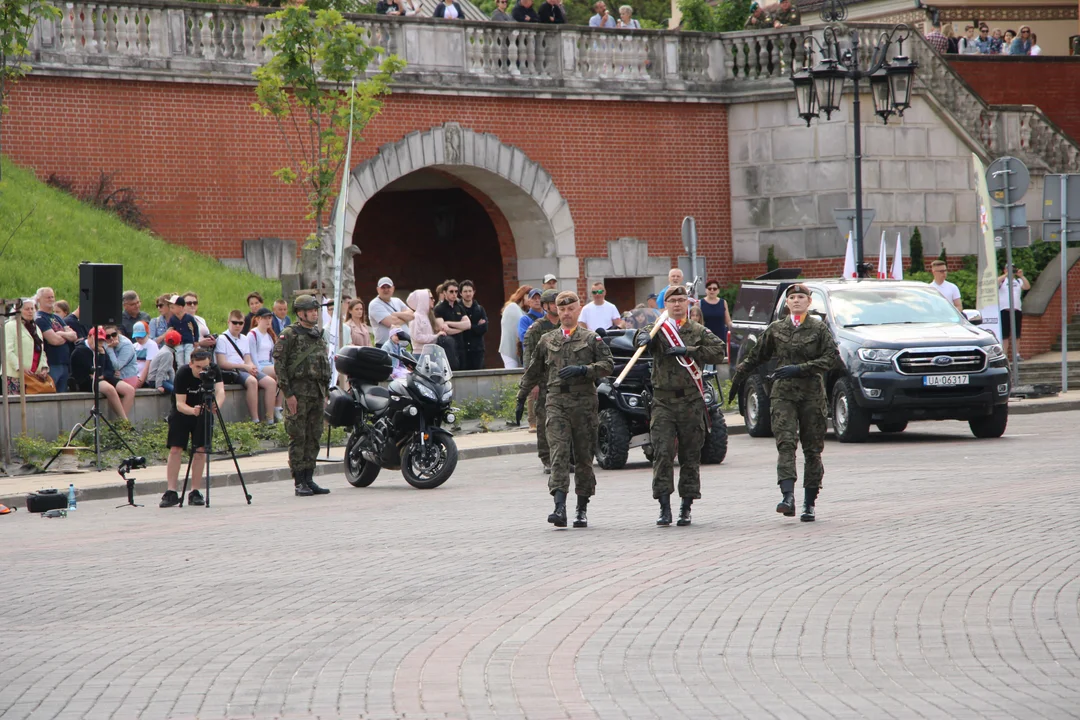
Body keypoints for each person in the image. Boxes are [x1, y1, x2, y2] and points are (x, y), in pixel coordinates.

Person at [729, 284, 840, 522]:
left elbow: (831, 358)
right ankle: (787, 497)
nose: (797, 301)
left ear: (809, 302)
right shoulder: (776, 328)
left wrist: (800, 368)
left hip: (811, 393)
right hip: (783, 395)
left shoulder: (819, 328)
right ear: (786, 303)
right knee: (786, 443)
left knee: (812, 449)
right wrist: (738, 380)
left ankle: (809, 503)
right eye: (792, 297)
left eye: (801, 297)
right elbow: (755, 355)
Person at [518, 291, 614, 528]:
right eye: (562, 310)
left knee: (583, 457)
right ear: (557, 312)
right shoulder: (547, 340)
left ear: (579, 309)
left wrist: (584, 370)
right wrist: (521, 398)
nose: (566, 314)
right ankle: (559, 507)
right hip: (556, 403)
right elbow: (533, 371)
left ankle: (581, 508)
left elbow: (608, 365)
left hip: (583, 403)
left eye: (570, 309)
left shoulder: (592, 339)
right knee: (558, 453)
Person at [635, 285, 726, 526]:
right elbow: (640, 337)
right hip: (663, 401)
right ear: (665, 304)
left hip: (690, 400)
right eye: (672, 300)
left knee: (690, 454)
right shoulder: (658, 329)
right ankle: (664, 507)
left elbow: (719, 351)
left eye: (681, 300)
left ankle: (686, 505)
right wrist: (642, 338)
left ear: (688, 303)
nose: (677, 304)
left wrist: (690, 350)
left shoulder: (697, 330)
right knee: (662, 452)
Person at [272, 295, 333, 497]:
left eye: (316, 309)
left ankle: (309, 478)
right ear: (300, 313)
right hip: (297, 394)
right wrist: (288, 394)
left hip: (316, 393)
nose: (315, 313)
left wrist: (324, 393)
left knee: (314, 436)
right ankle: (299, 481)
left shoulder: (317, 334)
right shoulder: (289, 335)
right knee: (298, 436)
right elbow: (280, 367)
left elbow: (324, 364)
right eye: (311, 310)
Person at [159, 350, 224, 508]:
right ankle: (171, 491)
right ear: (191, 364)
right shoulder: (183, 373)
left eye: (205, 367)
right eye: (198, 367)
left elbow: (221, 390)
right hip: (183, 412)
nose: (202, 371)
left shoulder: (214, 369)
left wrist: (216, 405)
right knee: (176, 448)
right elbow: (180, 403)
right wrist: (193, 411)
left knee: (200, 450)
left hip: (204, 412)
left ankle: (195, 491)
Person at [520, 289, 560, 473]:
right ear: (545, 306)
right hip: (542, 381)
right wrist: (532, 383)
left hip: (561, 381)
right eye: (553, 303)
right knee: (544, 420)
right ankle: (547, 459)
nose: (557, 307)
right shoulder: (536, 328)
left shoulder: (565, 325)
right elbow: (528, 357)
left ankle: (563, 457)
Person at [216, 310, 278, 425]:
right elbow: (222, 363)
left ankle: (270, 420)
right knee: (252, 381)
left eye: (241, 323)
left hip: (244, 368)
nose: (238, 326)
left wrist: (251, 367)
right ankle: (255, 420)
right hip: (231, 370)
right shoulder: (222, 339)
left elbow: (248, 358)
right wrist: (245, 366)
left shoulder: (244, 338)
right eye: (234, 323)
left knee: (271, 383)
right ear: (228, 322)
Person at [70, 328, 131, 420]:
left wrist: (104, 374)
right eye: (97, 340)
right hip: (87, 380)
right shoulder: (80, 351)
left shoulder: (101, 349)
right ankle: (125, 422)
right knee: (110, 389)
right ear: (89, 337)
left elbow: (110, 369)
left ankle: (121, 422)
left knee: (129, 390)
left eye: (102, 340)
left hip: (102, 377)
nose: (100, 343)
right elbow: (93, 372)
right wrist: (101, 355)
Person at [4, 298, 52, 395]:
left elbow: (41, 351)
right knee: (16, 406)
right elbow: (8, 351)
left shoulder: (36, 328)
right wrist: (20, 367)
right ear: (18, 311)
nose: (30, 311)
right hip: (15, 376)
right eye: (27, 309)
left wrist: (43, 367)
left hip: (35, 376)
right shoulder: (10, 326)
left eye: (32, 309)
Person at [34, 287, 78, 392]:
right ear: (39, 300)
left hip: (64, 364)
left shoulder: (57, 317)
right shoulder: (39, 318)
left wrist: (60, 333)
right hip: (51, 364)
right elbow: (54, 340)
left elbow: (74, 336)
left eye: (52, 297)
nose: (51, 299)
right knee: (49, 393)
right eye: (47, 297)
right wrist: (66, 336)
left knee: (62, 395)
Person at [433, 279, 472, 370]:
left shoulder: (459, 307)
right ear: (445, 292)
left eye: (456, 291)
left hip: (461, 346)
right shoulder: (439, 309)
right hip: (448, 348)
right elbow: (444, 330)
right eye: (451, 291)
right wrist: (461, 328)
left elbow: (468, 325)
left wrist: (449, 323)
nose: (454, 294)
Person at [369, 277, 415, 346]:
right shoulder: (374, 304)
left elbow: (412, 315)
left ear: (393, 288)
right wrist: (405, 318)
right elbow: (392, 322)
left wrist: (396, 314)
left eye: (388, 287)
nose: (386, 290)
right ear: (378, 289)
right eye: (383, 287)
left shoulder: (397, 300)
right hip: (385, 347)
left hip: (402, 347)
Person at [105, 324, 142, 409]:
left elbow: (117, 366)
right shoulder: (104, 341)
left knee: (122, 392)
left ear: (117, 333)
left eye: (114, 335)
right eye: (108, 336)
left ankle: (123, 420)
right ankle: (117, 420)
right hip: (113, 376)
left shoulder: (126, 345)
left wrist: (109, 349)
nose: (111, 338)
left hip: (127, 376)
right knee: (109, 392)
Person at [998, 266, 1030, 361]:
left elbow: (1027, 287)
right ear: (1004, 270)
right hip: (1004, 310)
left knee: (1017, 334)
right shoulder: (1003, 281)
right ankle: (1005, 355)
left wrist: (1021, 276)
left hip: (1016, 310)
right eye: (1008, 269)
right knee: (1005, 335)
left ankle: (1017, 354)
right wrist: (1006, 275)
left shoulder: (1018, 281)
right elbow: (995, 282)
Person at [500, 285, 532, 368]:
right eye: (529, 296)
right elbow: (522, 325)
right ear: (522, 295)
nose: (531, 299)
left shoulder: (523, 311)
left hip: (517, 350)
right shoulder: (512, 307)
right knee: (512, 376)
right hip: (509, 349)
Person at [460, 280, 489, 370]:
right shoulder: (457, 309)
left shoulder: (480, 309)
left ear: (474, 292)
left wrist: (466, 326)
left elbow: (484, 328)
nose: (468, 294)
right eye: (465, 291)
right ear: (460, 293)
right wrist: (475, 326)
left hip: (477, 350)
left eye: (470, 291)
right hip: (462, 349)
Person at [147, 329, 182, 394]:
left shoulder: (165, 350)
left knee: (179, 388)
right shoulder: (167, 353)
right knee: (177, 392)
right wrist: (159, 386)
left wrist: (174, 382)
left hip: (160, 379)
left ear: (165, 340)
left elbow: (170, 370)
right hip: (155, 381)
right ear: (178, 343)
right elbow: (161, 370)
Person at [699, 280, 732, 347]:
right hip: (706, 338)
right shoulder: (700, 303)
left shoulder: (723, 302)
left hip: (721, 337)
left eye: (714, 289)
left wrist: (735, 331)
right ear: (706, 290)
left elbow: (728, 321)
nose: (712, 290)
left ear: (718, 291)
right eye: (709, 288)